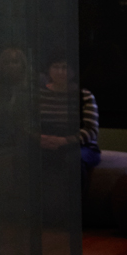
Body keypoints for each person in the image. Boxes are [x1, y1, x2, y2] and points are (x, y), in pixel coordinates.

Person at [38, 54, 100, 199]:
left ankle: (77, 208)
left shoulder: (84, 95)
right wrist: (39, 138)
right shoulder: (39, 94)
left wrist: (65, 141)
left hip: (79, 145)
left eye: (65, 67)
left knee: (73, 159)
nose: (60, 71)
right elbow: (29, 124)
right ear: (48, 69)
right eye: (56, 67)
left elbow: (91, 130)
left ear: (73, 71)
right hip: (46, 141)